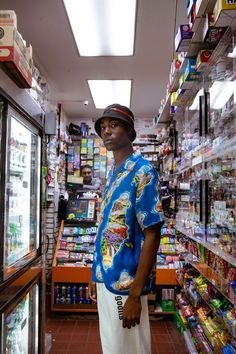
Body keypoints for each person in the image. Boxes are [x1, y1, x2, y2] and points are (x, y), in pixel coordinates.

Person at [89, 103, 163, 354]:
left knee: (129, 349)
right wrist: (95, 272)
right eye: (103, 127)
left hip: (126, 283)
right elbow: (106, 227)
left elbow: (153, 232)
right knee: (112, 347)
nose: (106, 131)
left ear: (130, 132)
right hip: (106, 277)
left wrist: (135, 294)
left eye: (114, 125)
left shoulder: (143, 171)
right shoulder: (113, 173)